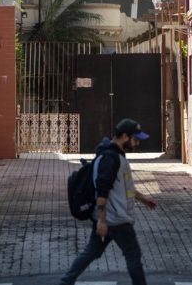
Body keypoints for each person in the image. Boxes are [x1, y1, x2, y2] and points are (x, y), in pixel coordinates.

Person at [59, 118, 157, 285]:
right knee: (133, 255)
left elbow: (122, 187)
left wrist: (143, 198)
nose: (137, 143)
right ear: (125, 136)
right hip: (116, 219)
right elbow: (102, 190)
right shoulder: (111, 159)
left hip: (108, 218)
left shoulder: (112, 155)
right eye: (135, 139)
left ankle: (65, 282)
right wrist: (103, 221)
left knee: (91, 253)